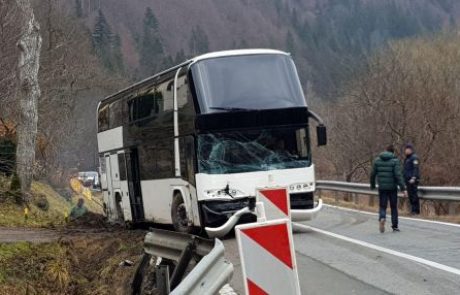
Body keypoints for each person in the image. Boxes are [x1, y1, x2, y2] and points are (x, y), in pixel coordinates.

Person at [370, 145, 406, 233]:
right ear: (393, 152)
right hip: (392, 188)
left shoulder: (377, 161)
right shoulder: (395, 161)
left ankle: (382, 217)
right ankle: (395, 226)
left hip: (382, 187)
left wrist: (373, 185)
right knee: (394, 207)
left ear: (385, 150)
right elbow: (398, 175)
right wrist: (403, 188)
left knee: (382, 206)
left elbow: (372, 174)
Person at [403, 144, 421, 215]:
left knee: (414, 195)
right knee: (410, 195)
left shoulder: (414, 158)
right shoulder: (407, 159)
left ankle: (416, 210)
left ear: (411, 150)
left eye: (408, 149)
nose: (406, 150)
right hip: (407, 180)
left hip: (413, 180)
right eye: (406, 149)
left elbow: (415, 168)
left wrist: (414, 177)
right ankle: (413, 210)